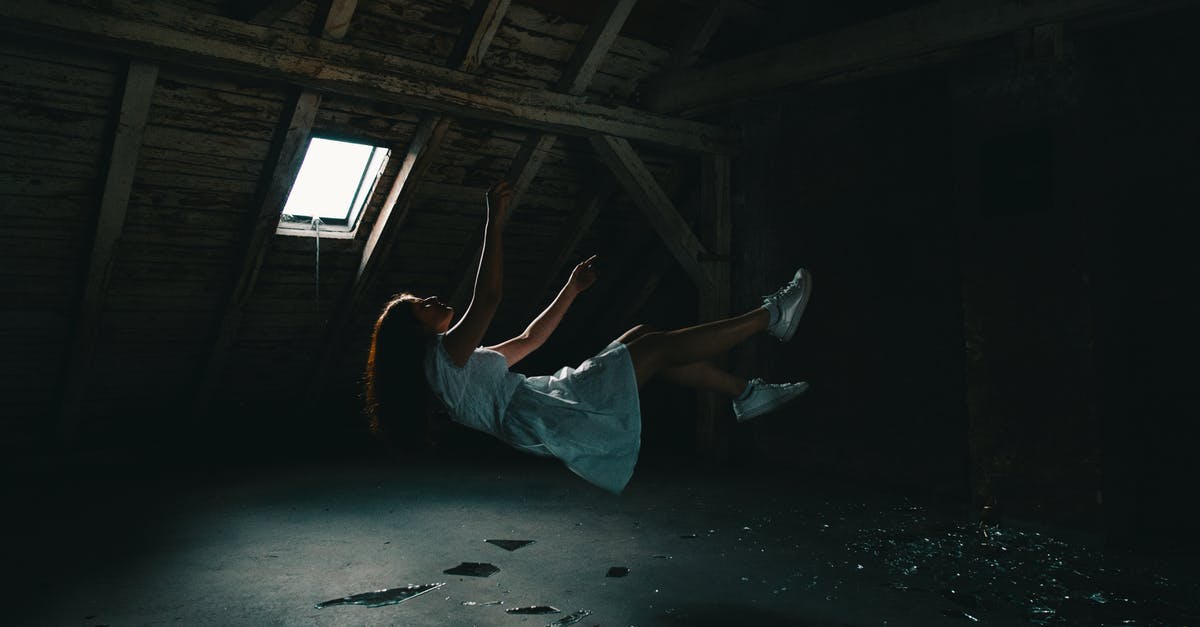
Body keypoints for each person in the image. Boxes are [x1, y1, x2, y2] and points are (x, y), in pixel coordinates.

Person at [364, 181, 813, 494]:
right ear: (413, 331)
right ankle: (770, 316)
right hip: (549, 414)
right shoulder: (441, 359)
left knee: (645, 336)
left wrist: (571, 289)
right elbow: (489, 298)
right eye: (421, 303)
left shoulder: (454, 366)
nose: (433, 298)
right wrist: (494, 224)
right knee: (653, 349)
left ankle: (745, 394)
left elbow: (528, 340)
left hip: (547, 401)